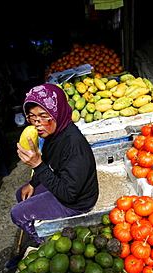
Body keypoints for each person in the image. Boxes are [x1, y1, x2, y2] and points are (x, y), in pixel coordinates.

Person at [10, 83, 99, 244]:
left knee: (17, 213)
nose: (37, 123)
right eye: (32, 116)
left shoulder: (74, 146)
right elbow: (49, 164)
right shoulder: (53, 134)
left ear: (57, 112)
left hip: (77, 202)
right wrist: (33, 182)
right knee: (21, 194)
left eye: (44, 116)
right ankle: (43, 224)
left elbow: (69, 194)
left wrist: (37, 165)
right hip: (62, 183)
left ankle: (45, 244)